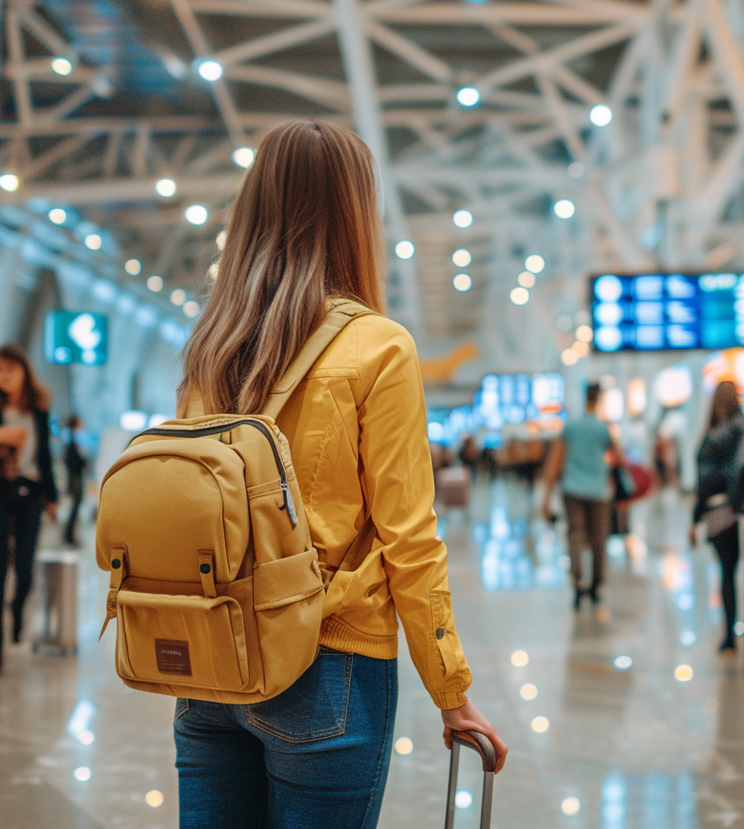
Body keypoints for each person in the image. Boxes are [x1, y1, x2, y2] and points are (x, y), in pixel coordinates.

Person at [171, 120, 505, 828]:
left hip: (210, 667)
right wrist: (452, 691)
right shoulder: (376, 348)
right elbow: (408, 542)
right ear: (355, 215)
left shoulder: (211, 345)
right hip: (328, 667)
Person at [0, 345, 59, 676]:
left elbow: (45, 454)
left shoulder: (39, 409)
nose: (4, 377)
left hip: (31, 491)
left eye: (10, 370)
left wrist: (52, 496)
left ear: (23, 370)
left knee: (25, 568)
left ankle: (17, 608)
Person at [690, 381, 744, 654]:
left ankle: (729, 635)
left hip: (718, 511)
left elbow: (702, 482)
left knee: (726, 572)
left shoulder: (711, 436)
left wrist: (696, 517)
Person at [541, 382, 620, 610]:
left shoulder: (571, 427)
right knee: (598, 538)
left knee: (575, 534)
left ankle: (577, 581)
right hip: (598, 491)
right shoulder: (603, 428)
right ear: (600, 398)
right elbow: (618, 456)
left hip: (572, 489)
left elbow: (556, 461)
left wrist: (546, 496)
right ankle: (595, 586)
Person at [62, 416, 88, 547]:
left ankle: (69, 535)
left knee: (75, 507)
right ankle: (68, 536)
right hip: (75, 477)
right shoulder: (72, 440)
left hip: (75, 476)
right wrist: (82, 463)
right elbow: (71, 460)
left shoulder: (73, 439)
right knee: (74, 506)